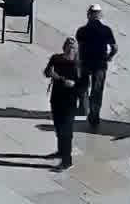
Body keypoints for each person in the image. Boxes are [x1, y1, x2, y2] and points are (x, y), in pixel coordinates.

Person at [75, 4, 118, 130]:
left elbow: (80, 47)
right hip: (100, 65)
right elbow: (114, 48)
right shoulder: (106, 30)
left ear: (88, 14)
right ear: (100, 15)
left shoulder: (81, 30)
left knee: (83, 87)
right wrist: (109, 56)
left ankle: (83, 109)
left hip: (86, 63)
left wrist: (78, 61)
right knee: (97, 92)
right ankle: (94, 117)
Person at [43, 37, 82, 169]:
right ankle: (61, 152)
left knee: (66, 131)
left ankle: (67, 160)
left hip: (70, 102)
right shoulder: (56, 58)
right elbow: (47, 72)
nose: (71, 50)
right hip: (56, 98)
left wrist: (73, 84)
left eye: (73, 48)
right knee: (59, 128)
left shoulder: (78, 65)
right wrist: (53, 75)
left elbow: (83, 86)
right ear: (64, 47)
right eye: (69, 47)